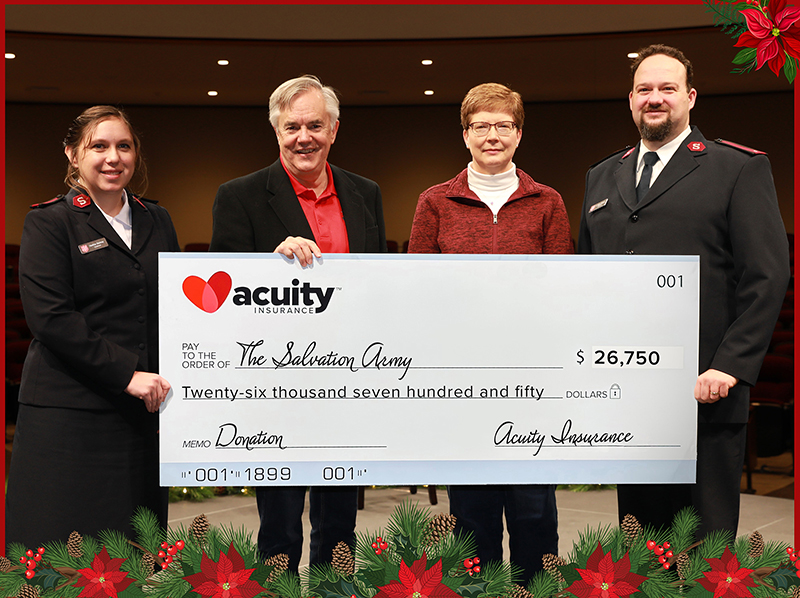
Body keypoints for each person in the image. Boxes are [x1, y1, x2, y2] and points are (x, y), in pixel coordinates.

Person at [578, 44, 790, 539]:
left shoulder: (737, 168)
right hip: (629, 392)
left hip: (707, 387)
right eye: (644, 89)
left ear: (690, 97)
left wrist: (731, 365)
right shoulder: (600, 176)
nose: (656, 98)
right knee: (641, 547)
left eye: (667, 89)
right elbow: (587, 282)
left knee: (705, 544)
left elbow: (767, 273)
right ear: (630, 100)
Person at [209, 75, 386, 571]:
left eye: (314, 125)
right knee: (280, 523)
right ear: (276, 131)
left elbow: (377, 287)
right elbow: (224, 295)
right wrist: (270, 264)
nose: (303, 137)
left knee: (339, 524)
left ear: (333, 129)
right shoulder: (239, 196)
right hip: (276, 384)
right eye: (291, 127)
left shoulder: (365, 193)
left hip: (349, 380)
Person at [408, 83, 570, 584]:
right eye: (481, 126)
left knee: (533, 512)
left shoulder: (547, 202)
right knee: (471, 514)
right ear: (465, 134)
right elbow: (416, 288)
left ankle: (534, 592)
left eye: (503, 125)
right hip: (462, 381)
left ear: (519, 134)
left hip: (531, 382)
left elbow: (563, 288)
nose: (492, 135)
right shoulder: (435, 202)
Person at [6, 106, 179, 547]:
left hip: (140, 417)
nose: (112, 157)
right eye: (98, 146)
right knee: (63, 554)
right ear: (72, 154)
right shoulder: (49, 221)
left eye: (124, 146)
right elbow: (52, 319)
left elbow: (181, 303)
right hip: (69, 416)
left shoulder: (157, 219)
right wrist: (127, 375)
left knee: (133, 552)